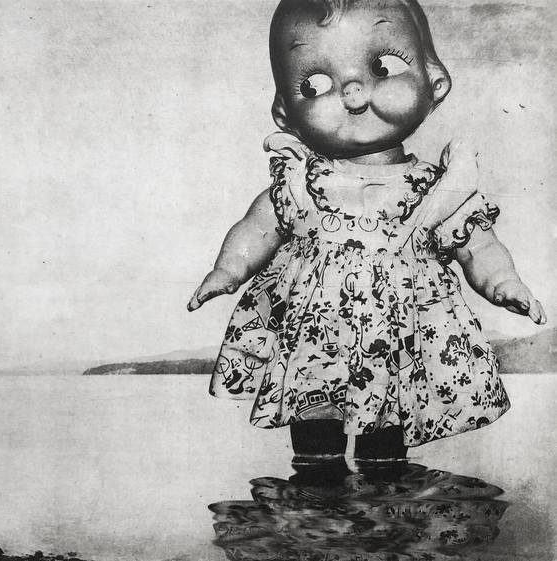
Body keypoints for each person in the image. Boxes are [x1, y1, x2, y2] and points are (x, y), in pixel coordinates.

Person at [188, 0, 545, 475]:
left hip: (398, 341)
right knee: (314, 436)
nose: (353, 91)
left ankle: (383, 487)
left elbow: (478, 245)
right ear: (285, 113)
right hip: (315, 342)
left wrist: (503, 282)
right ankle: (315, 488)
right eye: (315, 85)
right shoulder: (300, 182)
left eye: (383, 67)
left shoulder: (440, 189)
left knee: (386, 444)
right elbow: (257, 228)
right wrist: (228, 269)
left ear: (435, 81)